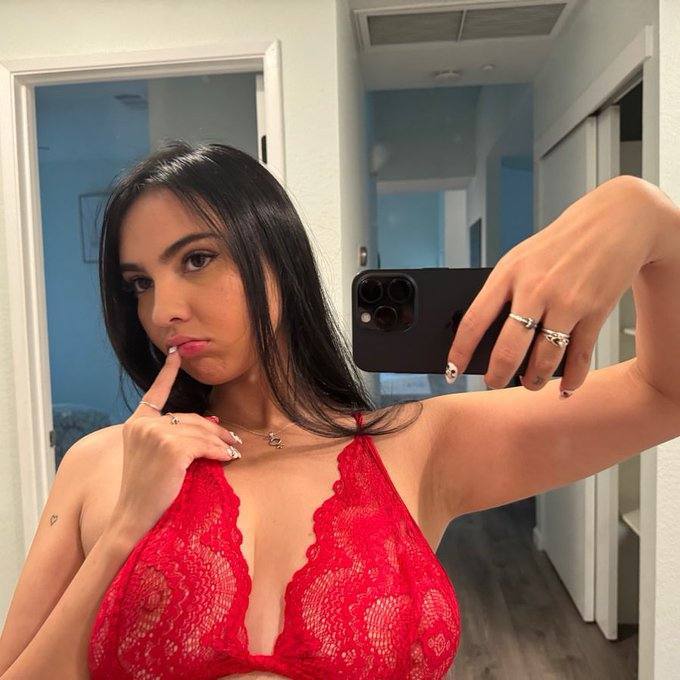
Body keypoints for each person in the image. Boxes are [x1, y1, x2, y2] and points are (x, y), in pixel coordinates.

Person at [1, 141, 680, 680]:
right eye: (139, 284)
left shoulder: (420, 446)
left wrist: (648, 218)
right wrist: (126, 528)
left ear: (278, 256)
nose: (162, 311)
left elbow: (664, 394)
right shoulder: (101, 464)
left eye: (198, 259)